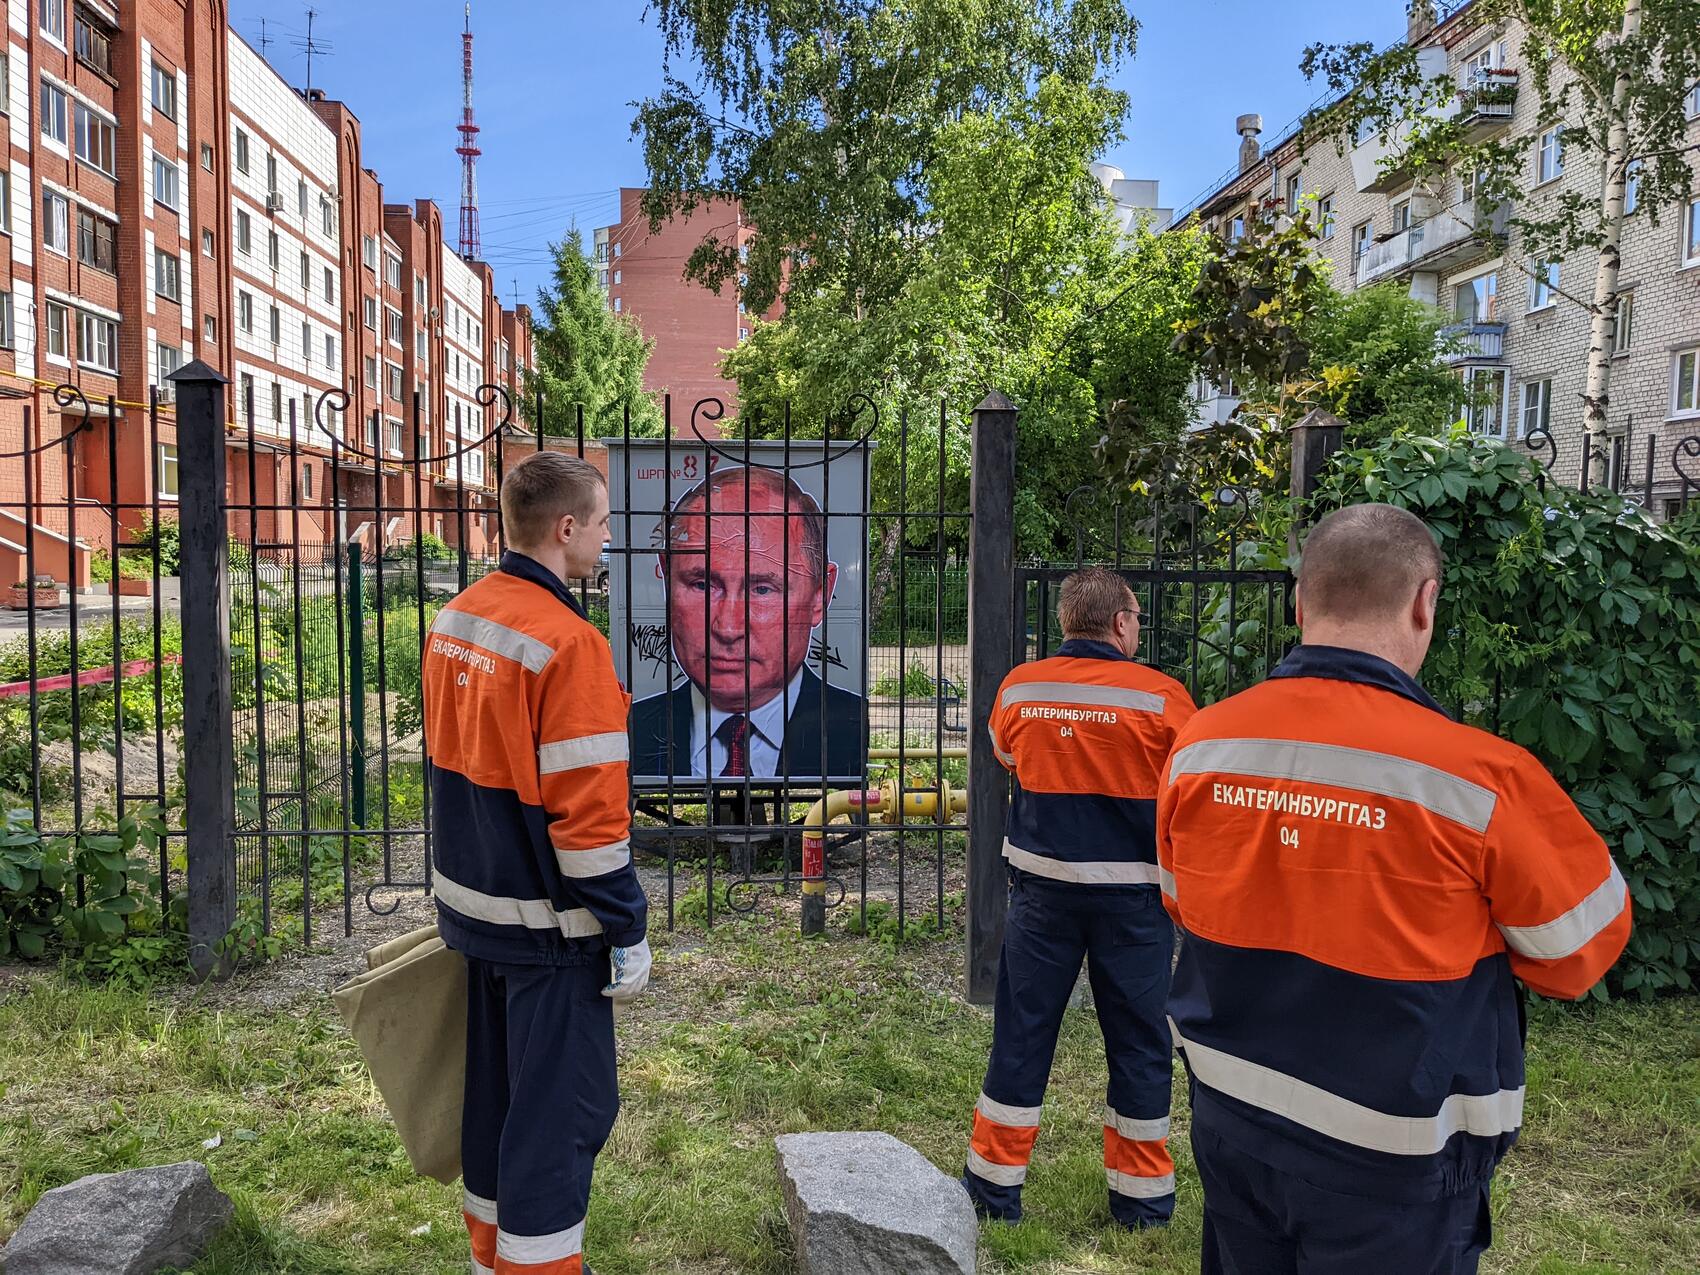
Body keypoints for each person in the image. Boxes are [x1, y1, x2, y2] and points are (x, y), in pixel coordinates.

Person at [1158, 503, 1631, 1275]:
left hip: (1234, 1120)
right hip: (1395, 1163)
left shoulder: (1201, 746)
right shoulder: (1480, 779)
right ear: (1425, 601)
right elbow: (1580, 951)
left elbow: (1183, 898)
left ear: (1300, 602)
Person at [423, 451, 651, 1275]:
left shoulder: (457, 618)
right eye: (602, 523)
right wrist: (628, 926)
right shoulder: (569, 643)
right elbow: (588, 828)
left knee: (494, 1109)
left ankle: (490, 1260)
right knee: (559, 1121)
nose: (607, 536)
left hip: (476, 913)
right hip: (551, 932)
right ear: (565, 528)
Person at [963, 567, 1197, 1230]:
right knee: (1140, 1044)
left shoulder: (1021, 687)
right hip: (1133, 903)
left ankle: (992, 1191)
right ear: (1121, 622)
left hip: (1042, 896)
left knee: (1021, 1035)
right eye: (1136, 618)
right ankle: (1142, 1204)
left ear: (1068, 620)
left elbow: (1007, 755)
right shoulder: (1162, 698)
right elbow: (1187, 780)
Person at [628, 465, 865, 779]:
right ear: (667, 579)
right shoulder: (631, 730)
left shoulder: (850, 725)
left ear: (820, 594)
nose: (727, 628)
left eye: (762, 589)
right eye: (702, 585)